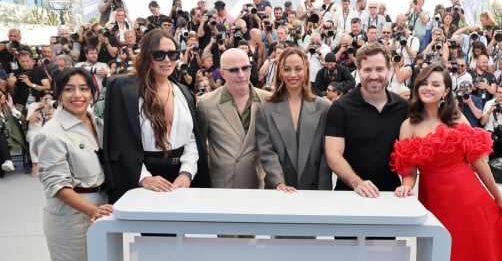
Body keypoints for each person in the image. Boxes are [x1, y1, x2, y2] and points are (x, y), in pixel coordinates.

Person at [390, 63, 502, 261]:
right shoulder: (408, 125)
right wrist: (406, 185)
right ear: (416, 87)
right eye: (424, 83)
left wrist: (498, 197)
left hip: (468, 201)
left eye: (436, 84)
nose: (428, 88)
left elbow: (478, 161)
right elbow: (408, 171)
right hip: (434, 204)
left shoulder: (456, 119)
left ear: (446, 91)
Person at [35, 67, 113, 261]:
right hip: (70, 217)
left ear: (92, 92)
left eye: (84, 88)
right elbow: (56, 185)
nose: (77, 95)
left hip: (99, 210)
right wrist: (92, 210)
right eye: (69, 89)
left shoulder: (97, 122)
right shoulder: (52, 132)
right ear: (58, 93)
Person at [102, 29, 210, 203]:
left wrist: (187, 172)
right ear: (147, 56)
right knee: (154, 230)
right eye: (159, 54)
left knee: (181, 228)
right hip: (143, 178)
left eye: (173, 54)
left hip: (181, 178)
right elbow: (120, 140)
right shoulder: (124, 89)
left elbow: (191, 138)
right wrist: (144, 178)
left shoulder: (184, 92)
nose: (167, 60)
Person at [325, 43, 408, 197]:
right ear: (358, 71)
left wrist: (406, 186)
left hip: (391, 195)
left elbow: (409, 156)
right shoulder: (341, 107)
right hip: (349, 194)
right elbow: (333, 154)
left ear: (389, 70)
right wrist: (357, 182)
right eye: (367, 70)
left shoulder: (404, 108)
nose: (374, 76)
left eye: (379, 69)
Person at [256, 47, 332, 191]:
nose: (292, 74)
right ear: (279, 72)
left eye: (298, 69)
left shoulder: (324, 107)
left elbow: (325, 155)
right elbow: (267, 152)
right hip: (278, 190)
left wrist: (323, 192)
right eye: (286, 69)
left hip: (314, 190)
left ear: (306, 71)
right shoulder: (265, 108)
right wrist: (279, 182)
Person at [196, 48, 270, 188]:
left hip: (256, 183)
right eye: (234, 70)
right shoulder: (206, 103)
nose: (241, 75)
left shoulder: (266, 100)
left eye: (245, 68)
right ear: (223, 73)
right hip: (222, 184)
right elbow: (200, 147)